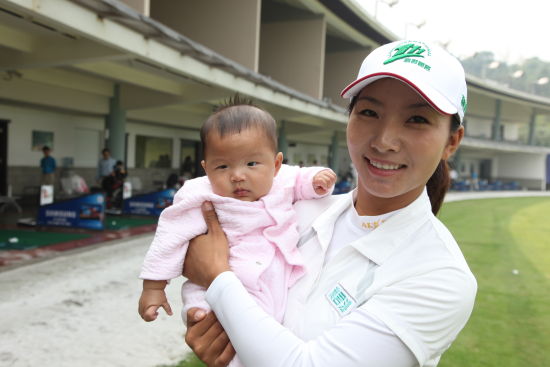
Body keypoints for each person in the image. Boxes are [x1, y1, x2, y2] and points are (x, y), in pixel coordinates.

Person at [182, 40, 477, 367]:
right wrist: (221, 339)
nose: (384, 141)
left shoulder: (441, 276)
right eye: (369, 112)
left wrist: (218, 281)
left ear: (452, 141)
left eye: (417, 120)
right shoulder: (298, 211)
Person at [138, 100, 336, 365]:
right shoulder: (200, 194)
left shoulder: (281, 181)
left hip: (275, 279)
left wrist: (318, 180)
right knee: (222, 336)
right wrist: (154, 286)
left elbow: (301, 179)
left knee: (271, 337)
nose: (237, 176)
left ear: (276, 164)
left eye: (252, 163)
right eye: (223, 167)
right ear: (206, 168)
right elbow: (170, 235)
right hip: (221, 282)